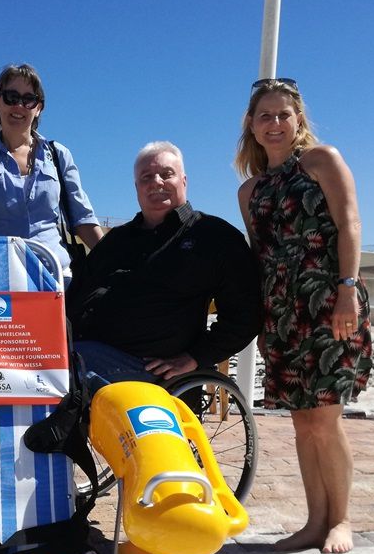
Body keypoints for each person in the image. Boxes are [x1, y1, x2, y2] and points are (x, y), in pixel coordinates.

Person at [236, 78, 371, 554]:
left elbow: (349, 223)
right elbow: (261, 255)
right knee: (302, 425)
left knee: (327, 419)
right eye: (264, 116)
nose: (274, 124)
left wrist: (347, 290)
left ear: (299, 121)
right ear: (251, 127)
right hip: (283, 314)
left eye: (282, 115)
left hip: (330, 304)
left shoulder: (321, 161)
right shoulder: (250, 190)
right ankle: (316, 521)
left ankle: (343, 520)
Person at [67, 141, 261, 388]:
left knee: (49, 378)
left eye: (166, 174)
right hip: (84, 353)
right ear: (137, 188)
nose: (156, 182)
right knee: (18, 367)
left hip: (145, 368)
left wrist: (195, 358)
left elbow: (245, 314)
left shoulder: (213, 237)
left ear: (184, 181)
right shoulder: (116, 240)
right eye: (146, 177)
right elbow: (78, 295)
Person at [0, 64, 103, 278]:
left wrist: (116, 262)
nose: (19, 106)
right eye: (11, 97)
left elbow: (82, 219)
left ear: (39, 107)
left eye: (28, 99)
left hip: (55, 279)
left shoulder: (59, 156)